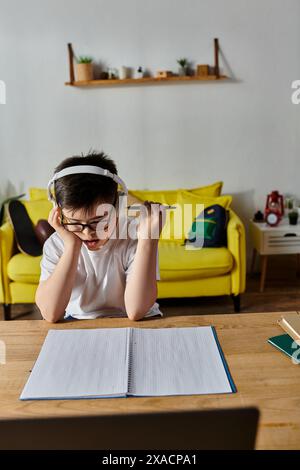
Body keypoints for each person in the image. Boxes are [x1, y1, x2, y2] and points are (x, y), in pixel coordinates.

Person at [35, 151, 165, 322]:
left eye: (98, 221)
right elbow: (51, 314)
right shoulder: (57, 244)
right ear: (59, 212)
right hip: (77, 321)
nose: (87, 232)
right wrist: (72, 246)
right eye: (75, 222)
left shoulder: (137, 235)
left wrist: (148, 241)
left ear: (117, 207)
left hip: (136, 321)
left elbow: (136, 310)